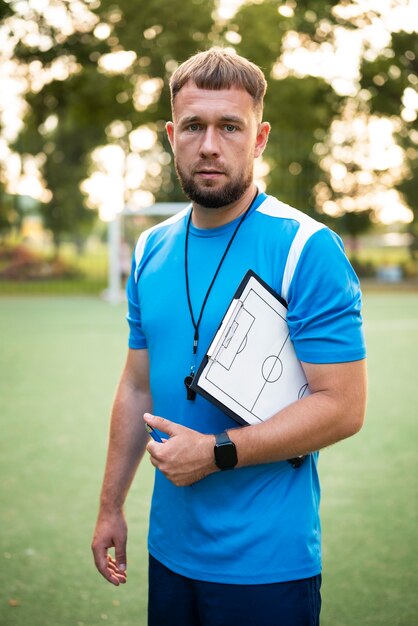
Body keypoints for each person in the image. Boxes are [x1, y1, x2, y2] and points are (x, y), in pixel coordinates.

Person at [92, 48, 367, 626]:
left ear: (259, 136)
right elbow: (138, 387)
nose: (209, 145)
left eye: (229, 127)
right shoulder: (151, 249)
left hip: (268, 565)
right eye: (193, 126)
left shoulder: (306, 248)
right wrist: (110, 506)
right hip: (169, 551)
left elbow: (342, 408)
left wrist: (217, 453)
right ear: (172, 134)